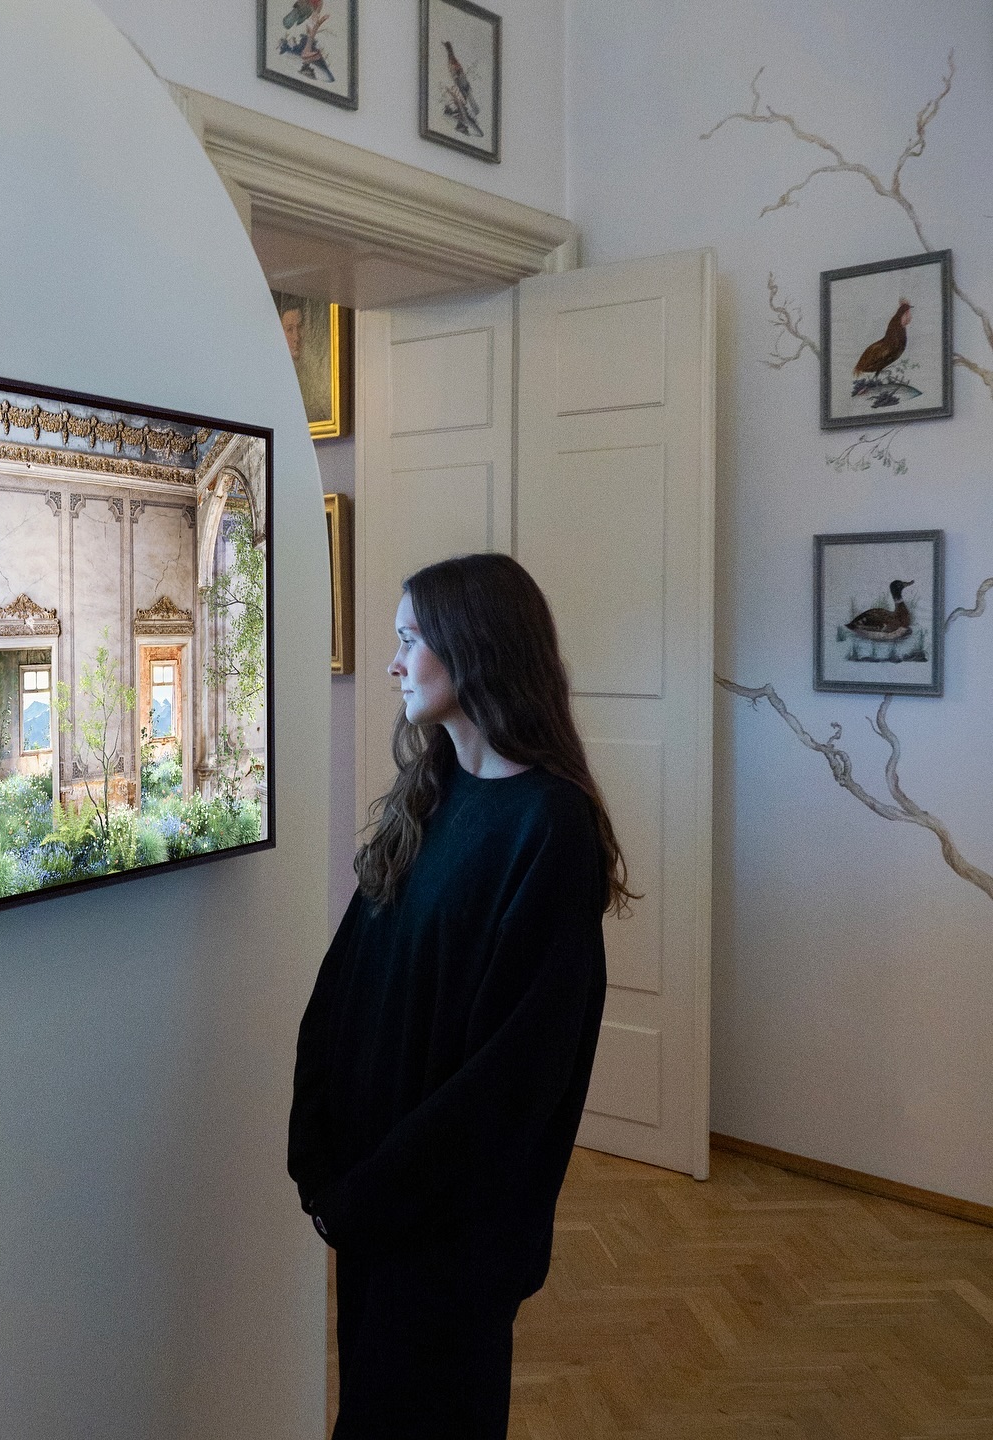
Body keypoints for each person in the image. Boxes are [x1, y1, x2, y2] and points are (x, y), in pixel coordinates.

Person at [288, 552, 633, 1439]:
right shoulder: (431, 790)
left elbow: (514, 1075)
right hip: (374, 1199)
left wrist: (373, 1190)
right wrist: (319, 1146)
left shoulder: (549, 828)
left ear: (471, 649)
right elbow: (348, 980)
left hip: (445, 1221)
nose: (394, 663)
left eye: (409, 641)